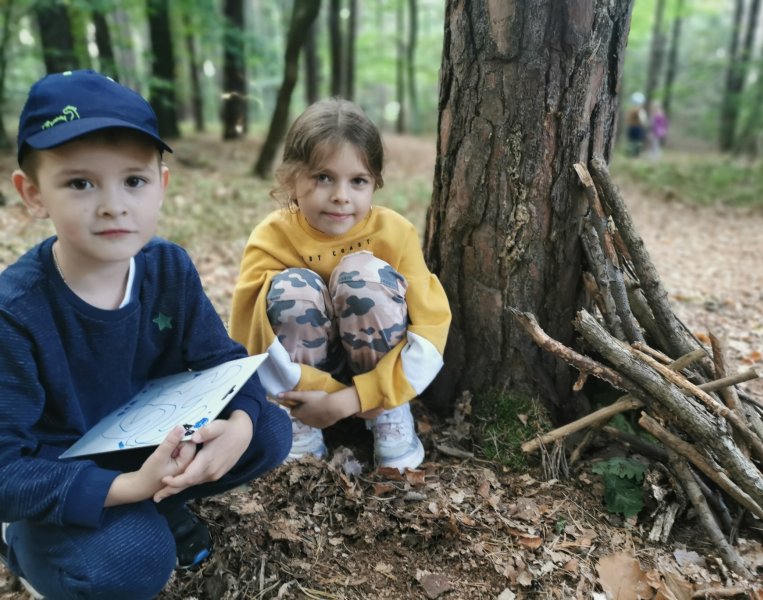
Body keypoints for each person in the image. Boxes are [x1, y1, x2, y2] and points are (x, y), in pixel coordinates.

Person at [0, 70, 292, 599]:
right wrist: (130, 486)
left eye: (133, 181)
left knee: (268, 429)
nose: (113, 204)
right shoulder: (16, 312)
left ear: (162, 185)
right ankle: (23, 544)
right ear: (33, 194)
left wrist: (241, 425)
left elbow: (224, 363)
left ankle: (159, 501)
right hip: (60, 467)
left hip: (143, 438)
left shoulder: (167, 269)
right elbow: (4, 470)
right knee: (138, 563)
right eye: (80, 183)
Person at [229, 98, 451, 473]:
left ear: (375, 183)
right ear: (291, 178)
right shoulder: (271, 238)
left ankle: (389, 418)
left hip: (380, 383)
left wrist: (357, 399)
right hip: (302, 386)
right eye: (323, 177)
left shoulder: (394, 233)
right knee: (292, 288)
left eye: (358, 181)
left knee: (362, 275)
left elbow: (431, 328)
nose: (341, 196)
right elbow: (251, 334)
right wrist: (316, 398)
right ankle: (299, 422)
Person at [626, 92, 648, 157]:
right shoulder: (640, 111)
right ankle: (635, 154)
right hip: (638, 127)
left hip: (632, 127)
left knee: (632, 141)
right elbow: (643, 120)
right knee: (637, 141)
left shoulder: (631, 110)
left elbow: (628, 119)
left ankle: (631, 153)